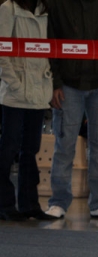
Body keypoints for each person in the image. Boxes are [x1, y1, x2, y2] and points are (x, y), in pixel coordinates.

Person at [44, 0, 98, 220]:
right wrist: (54, 83)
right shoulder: (57, 4)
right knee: (64, 145)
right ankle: (58, 202)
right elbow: (49, 42)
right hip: (68, 85)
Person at [0, 0, 55, 221]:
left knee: (31, 149)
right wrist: (14, 83)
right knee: (8, 149)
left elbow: (51, 48)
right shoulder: (8, 8)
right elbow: (2, 50)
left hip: (39, 92)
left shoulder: (46, 10)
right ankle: (5, 204)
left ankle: (29, 204)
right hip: (14, 93)